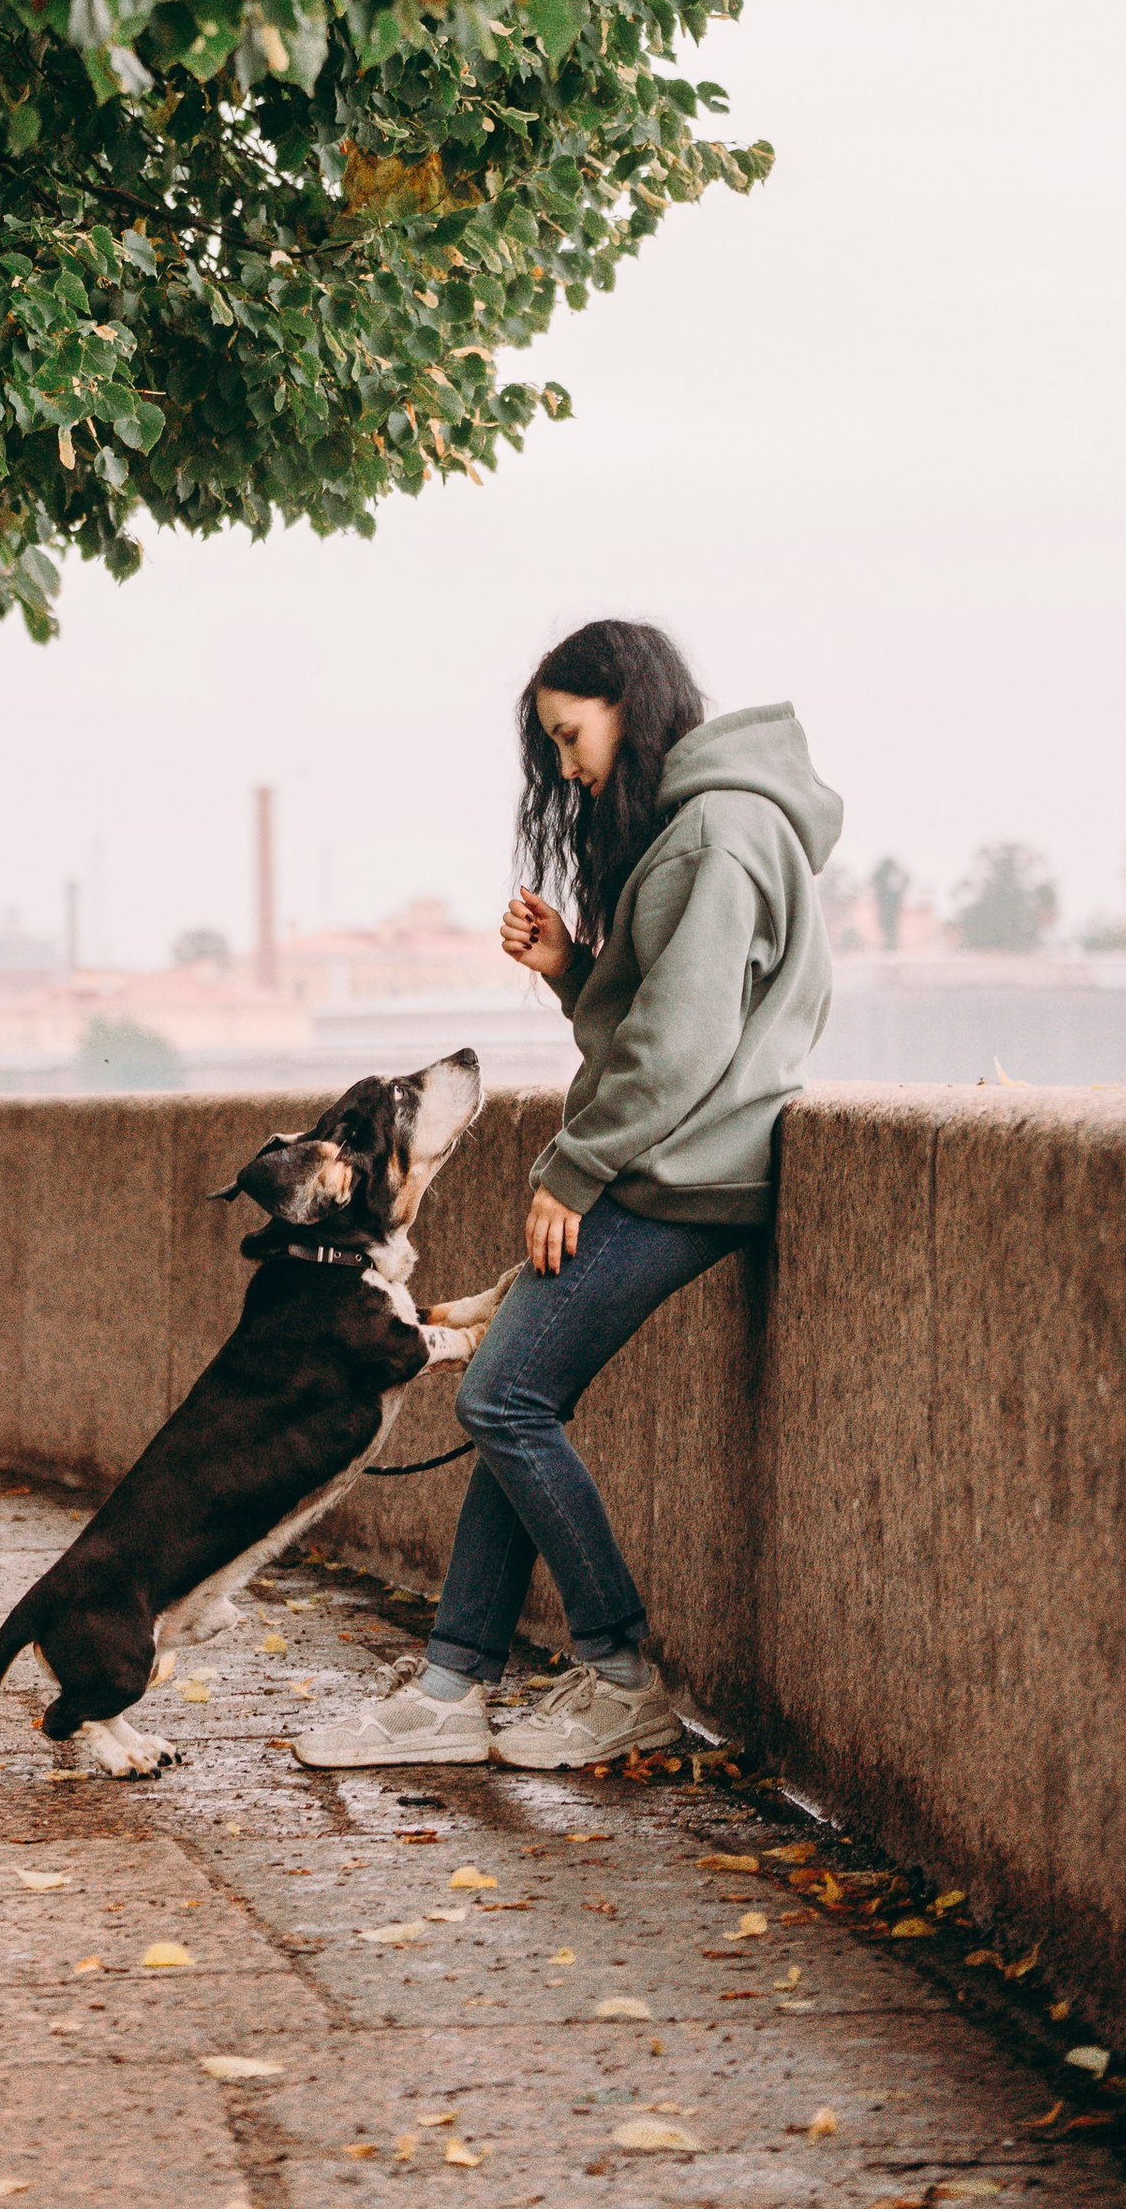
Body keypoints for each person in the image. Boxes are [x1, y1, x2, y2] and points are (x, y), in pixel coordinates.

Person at [296, 617, 838, 1772]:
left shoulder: (717, 830)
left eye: (570, 735)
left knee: (500, 1400)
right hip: (673, 1158)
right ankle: (453, 1684)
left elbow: (683, 1048)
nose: (565, 767)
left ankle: (620, 1674)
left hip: (680, 1172)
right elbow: (657, 1019)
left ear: (629, 705)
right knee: (512, 1396)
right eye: (550, 747)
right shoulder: (708, 823)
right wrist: (573, 971)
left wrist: (574, 1169)